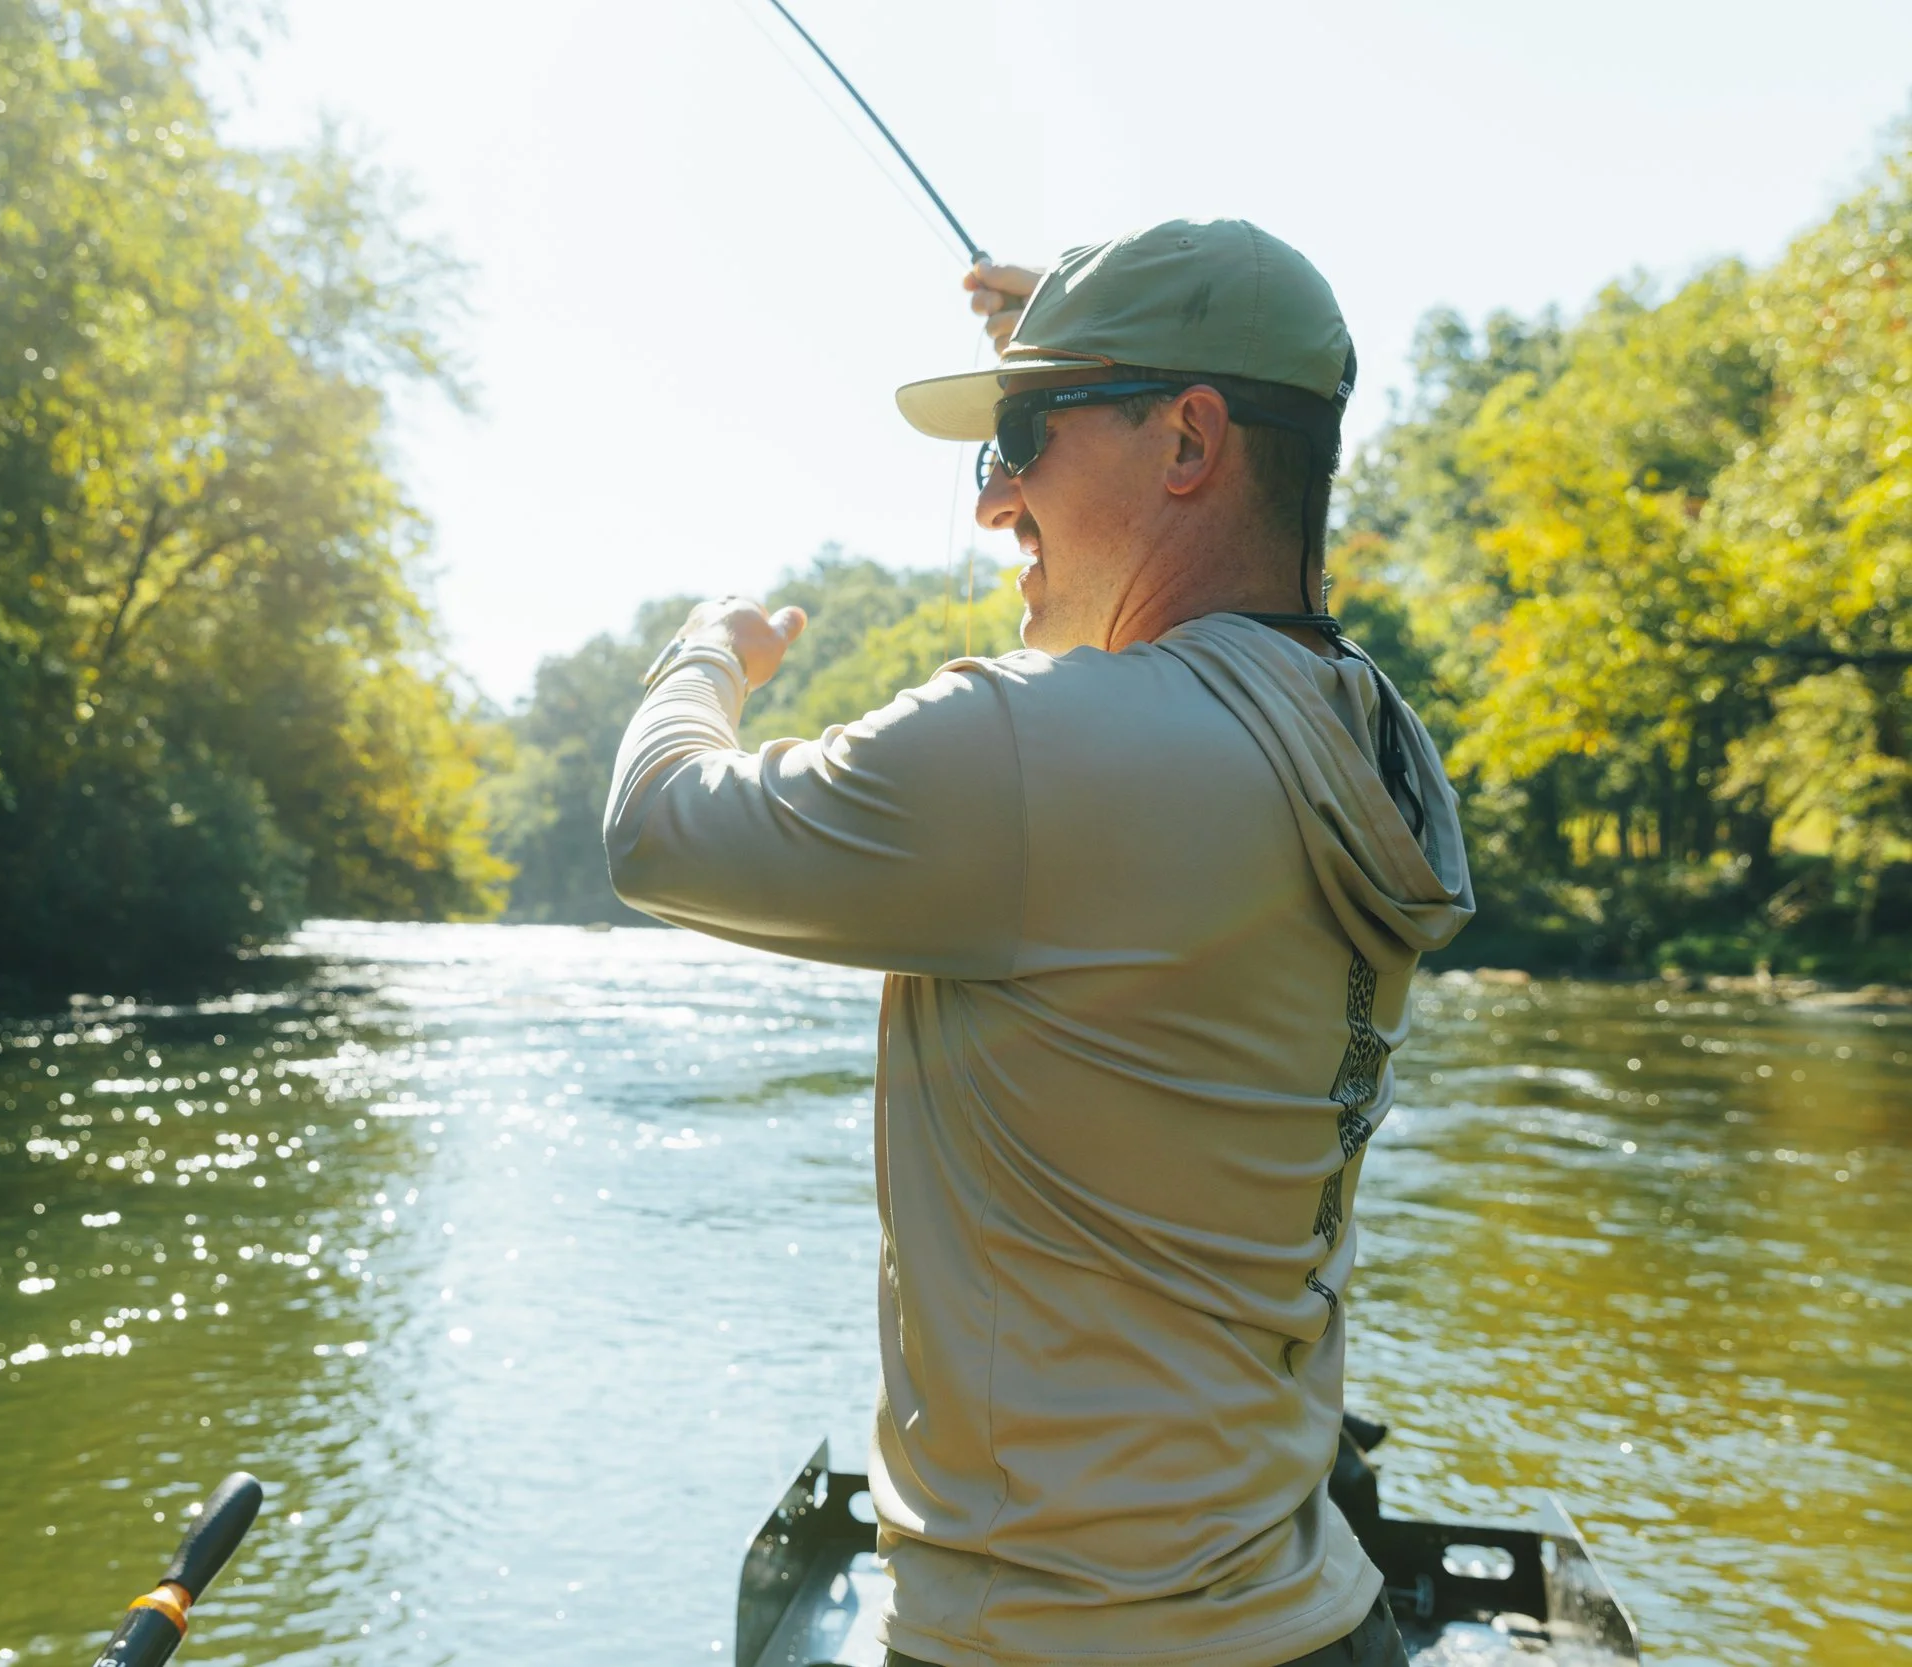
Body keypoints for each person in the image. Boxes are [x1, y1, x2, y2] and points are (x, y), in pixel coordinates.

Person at [601, 220, 1474, 1667]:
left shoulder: (1034, 755)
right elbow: (1228, 595)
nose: (996, 499)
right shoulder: (1365, 749)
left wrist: (706, 652)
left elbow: (656, 830)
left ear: (1190, 440)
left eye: (1022, 439)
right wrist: (1069, 371)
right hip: (1318, 1620)